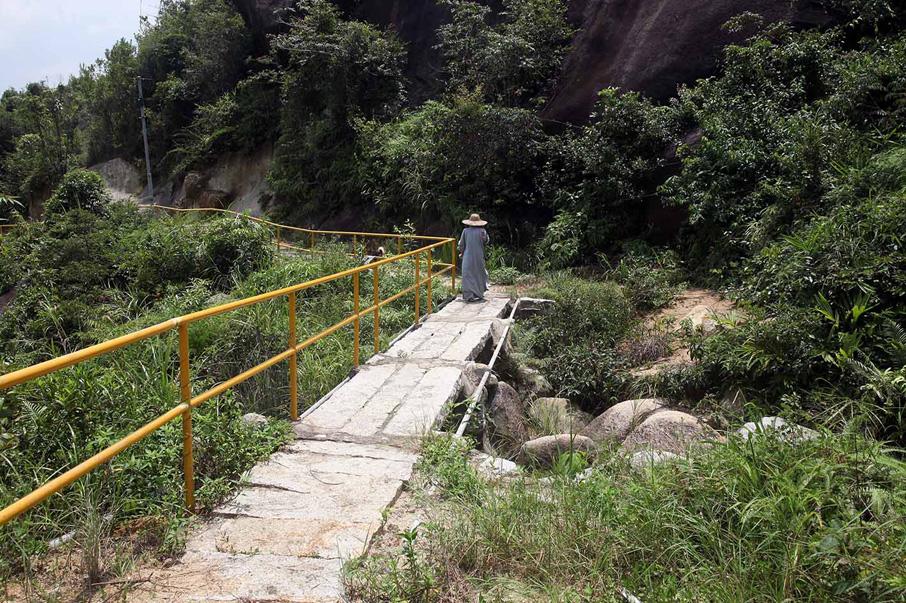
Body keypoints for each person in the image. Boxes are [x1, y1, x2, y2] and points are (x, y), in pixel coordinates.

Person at [459, 213, 490, 302]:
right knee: (479, 273)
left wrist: (461, 253)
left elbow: (461, 244)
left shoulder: (465, 231)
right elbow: (486, 241)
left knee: (467, 275)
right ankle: (479, 293)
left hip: (468, 256)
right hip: (479, 256)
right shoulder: (482, 231)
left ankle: (469, 295)